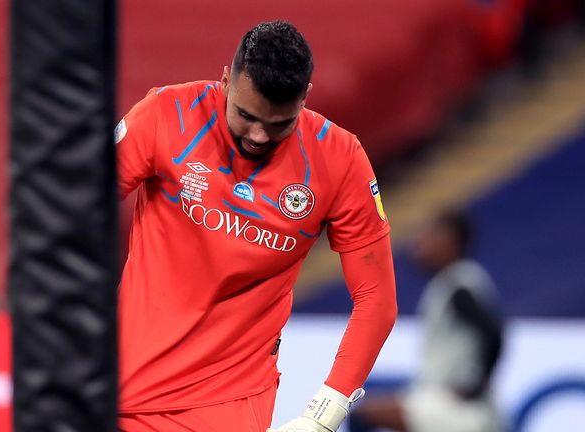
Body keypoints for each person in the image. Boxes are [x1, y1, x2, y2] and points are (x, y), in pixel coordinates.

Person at [117, 20, 397, 432]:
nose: (258, 135)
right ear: (226, 80)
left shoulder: (339, 160)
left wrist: (324, 416)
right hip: (114, 387)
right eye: (246, 115)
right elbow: (73, 214)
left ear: (305, 99)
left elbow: (376, 297)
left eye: (278, 123)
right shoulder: (165, 115)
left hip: (226, 407)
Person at [348, 209, 504, 432]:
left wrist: (474, 388)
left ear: (452, 241)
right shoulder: (454, 282)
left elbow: (493, 332)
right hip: (443, 399)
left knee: (365, 415)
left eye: (431, 234)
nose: (420, 240)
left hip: (454, 405)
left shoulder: (460, 285)